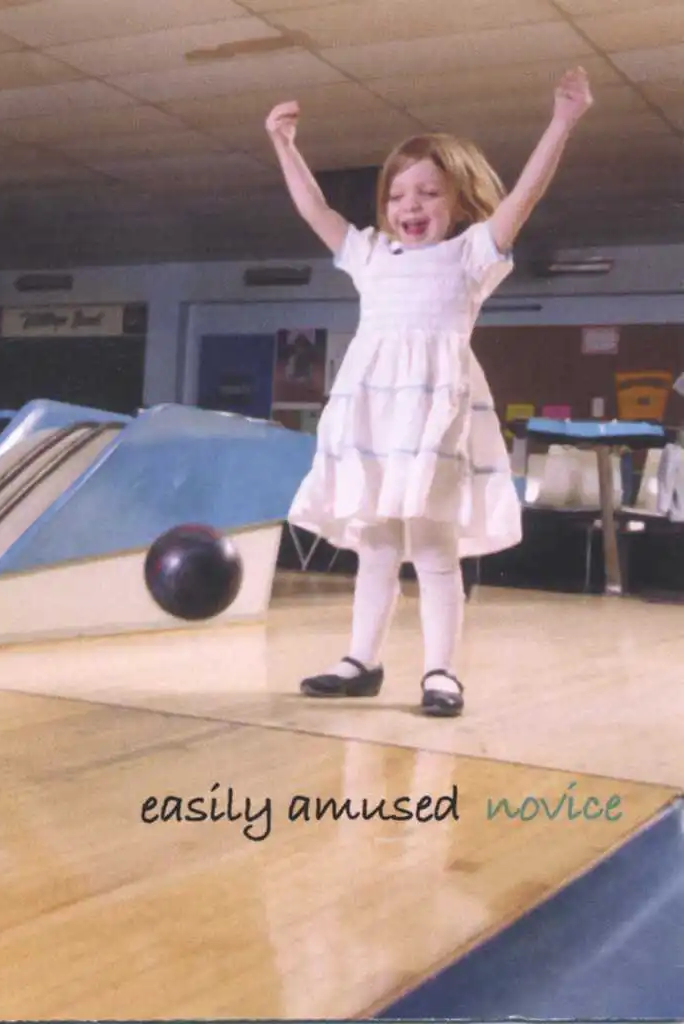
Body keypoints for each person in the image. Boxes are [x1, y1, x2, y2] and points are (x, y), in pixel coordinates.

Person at [266, 67, 594, 717]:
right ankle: (361, 660)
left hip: (434, 422)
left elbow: (523, 198)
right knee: (378, 545)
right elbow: (314, 209)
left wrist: (562, 121)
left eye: (427, 193)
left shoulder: (471, 255)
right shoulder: (370, 257)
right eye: (397, 195)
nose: (409, 206)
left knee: (435, 549)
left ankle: (442, 672)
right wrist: (284, 144)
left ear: (459, 201)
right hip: (375, 419)